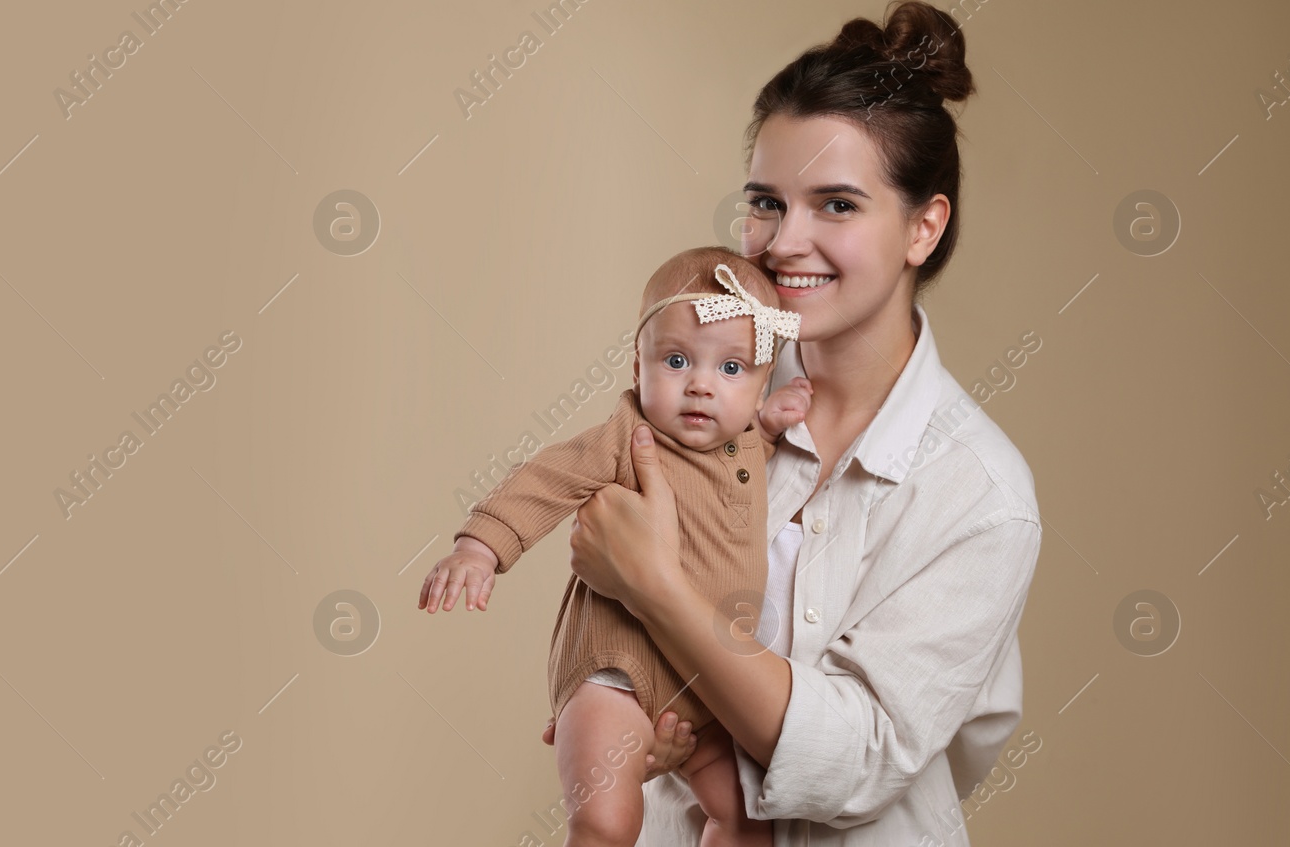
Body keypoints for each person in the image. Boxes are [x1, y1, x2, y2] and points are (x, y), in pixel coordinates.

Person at [542, 2, 1043, 844]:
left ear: (925, 225)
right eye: (767, 202)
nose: (784, 242)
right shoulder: (702, 399)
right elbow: (607, 629)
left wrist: (656, 587)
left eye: (838, 205)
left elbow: (858, 760)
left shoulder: (980, 491)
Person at [421, 246, 816, 846]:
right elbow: (546, 479)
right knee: (606, 821)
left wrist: (763, 429)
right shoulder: (626, 437)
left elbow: (741, 466)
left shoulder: (744, 449)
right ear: (639, 367)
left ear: (763, 384)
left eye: (731, 370)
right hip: (615, 675)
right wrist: (480, 548)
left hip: (706, 688)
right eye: (678, 361)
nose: (702, 387)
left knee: (743, 820)